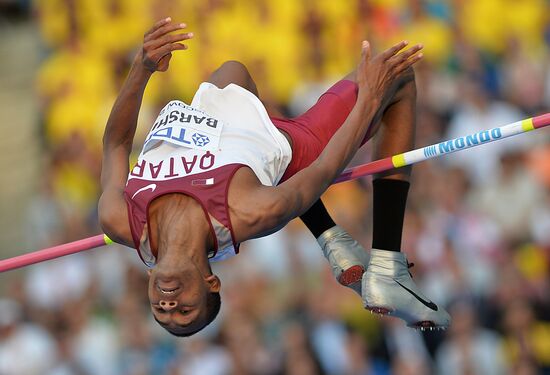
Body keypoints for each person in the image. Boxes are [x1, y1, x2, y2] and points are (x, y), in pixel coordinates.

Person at [99, 17, 450, 337]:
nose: (169, 305)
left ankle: (333, 239)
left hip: (232, 112)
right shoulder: (247, 212)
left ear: (148, 281)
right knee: (398, 77)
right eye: (185, 310)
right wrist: (369, 101)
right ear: (211, 282)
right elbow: (323, 170)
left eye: (160, 310)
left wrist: (142, 68)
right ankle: (388, 266)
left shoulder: (121, 219)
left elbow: (115, 144)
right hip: (296, 145)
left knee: (232, 72)